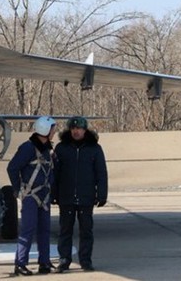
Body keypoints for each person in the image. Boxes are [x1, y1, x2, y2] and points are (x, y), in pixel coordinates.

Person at [52, 116, 108, 273]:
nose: (76, 131)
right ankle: (64, 260)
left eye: (79, 129)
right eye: (74, 128)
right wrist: (53, 193)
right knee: (65, 230)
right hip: (66, 196)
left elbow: (101, 173)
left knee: (86, 231)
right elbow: (55, 173)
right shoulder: (61, 148)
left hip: (86, 196)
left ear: (85, 130)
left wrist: (101, 194)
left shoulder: (95, 149)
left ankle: (85, 260)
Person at [6, 116, 57, 276]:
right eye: (53, 129)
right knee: (28, 229)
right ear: (46, 130)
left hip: (44, 195)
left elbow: (50, 172)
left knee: (44, 229)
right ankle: (20, 264)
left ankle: (44, 262)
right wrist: (17, 189)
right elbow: (12, 168)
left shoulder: (48, 149)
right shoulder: (28, 148)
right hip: (31, 195)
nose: (54, 132)